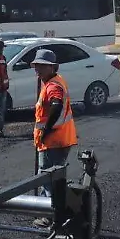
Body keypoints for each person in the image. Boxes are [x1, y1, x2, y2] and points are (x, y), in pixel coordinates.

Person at [31, 49, 77, 205]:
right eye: (36, 65)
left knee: (47, 178)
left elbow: (56, 107)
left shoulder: (53, 86)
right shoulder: (55, 80)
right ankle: (53, 211)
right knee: (52, 178)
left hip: (53, 141)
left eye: (42, 66)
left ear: (52, 67)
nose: (38, 69)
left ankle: (51, 214)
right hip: (59, 139)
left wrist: (46, 130)